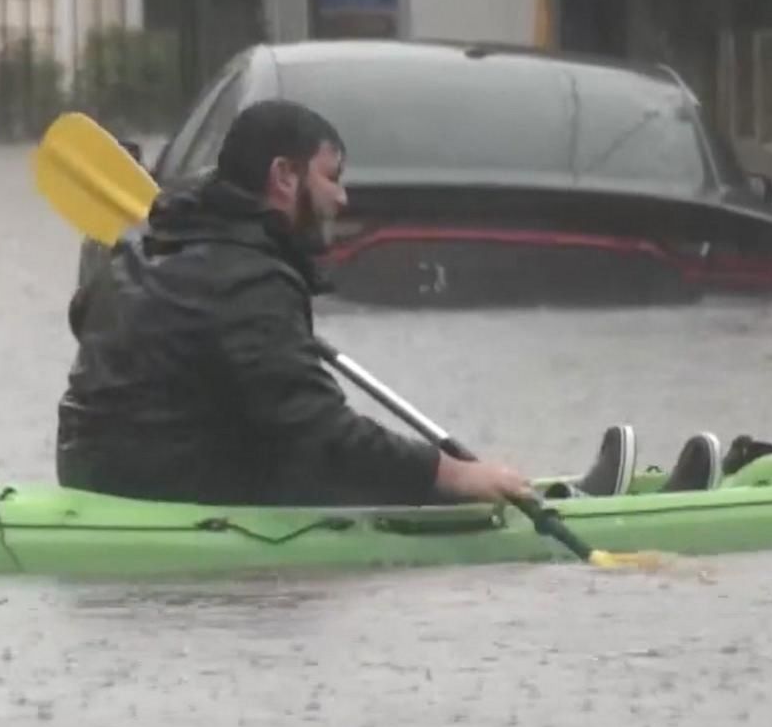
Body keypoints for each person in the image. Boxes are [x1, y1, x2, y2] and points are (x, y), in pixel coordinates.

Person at [55, 98, 532, 508]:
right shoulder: (248, 280)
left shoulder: (148, 248)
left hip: (88, 471)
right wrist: (453, 475)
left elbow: (83, 316)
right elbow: (323, 432)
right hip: (164, 487)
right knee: (343, 473)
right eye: (332, 177)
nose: (342, 197)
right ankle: (485, 496)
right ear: (284, 176)